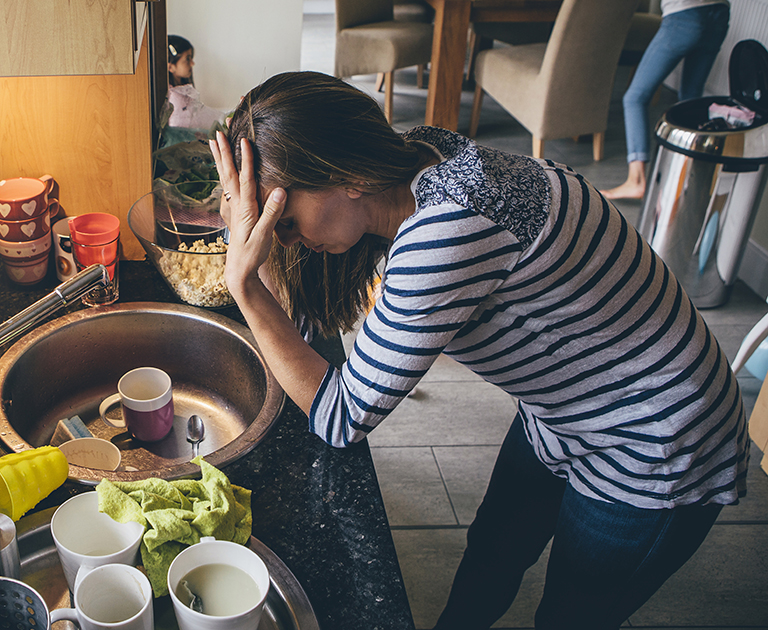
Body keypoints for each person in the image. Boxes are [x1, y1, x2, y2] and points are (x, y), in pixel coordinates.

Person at [209, 71, 748, 629]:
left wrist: (244, 283)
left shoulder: (446, 230)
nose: (285, 239)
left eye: (285, 221)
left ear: (347, 176)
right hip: (563, 412)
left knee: (572, 612)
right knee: (493, 549)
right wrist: (246, 237)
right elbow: (296, 331)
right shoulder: (424, 155)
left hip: (656, 439)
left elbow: (339, 416)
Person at [602, 0, 731, 200]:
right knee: (691, 98)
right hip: (720, 12)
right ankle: (687, 179)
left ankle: (636, 181)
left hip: (684, 14)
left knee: (635, 97)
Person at [166, 34, 225, 130]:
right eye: (187, 59)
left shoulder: (183, 89)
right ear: (171, 67)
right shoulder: (174, 98)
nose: (192, 63)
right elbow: (181, 127)